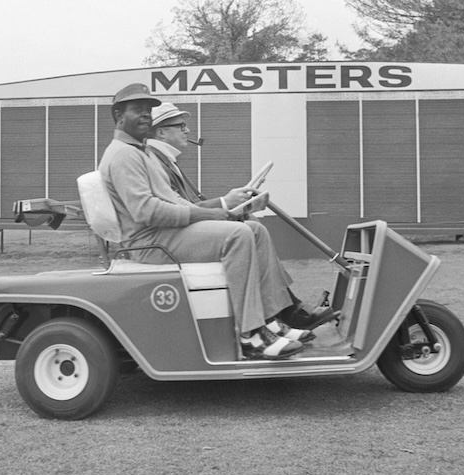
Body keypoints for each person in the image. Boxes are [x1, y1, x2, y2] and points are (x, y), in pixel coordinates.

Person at [98, 84, 313, 360]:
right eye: (138, 110)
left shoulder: (140, 152)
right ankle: (250, 334)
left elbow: (177, 204)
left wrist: (224, 207)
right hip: (150, 242)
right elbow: (146, 211)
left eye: (149, 110)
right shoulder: (123, 155)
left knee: (255, 229)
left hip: (165, 234)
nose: (146, 116)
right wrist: (212, 214)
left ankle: (271, 321)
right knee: (238, 235)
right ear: (118, 116)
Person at [146, 102, 338, 332]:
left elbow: (187, 207)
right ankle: (267, 322)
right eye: (181, 125)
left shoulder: (165, 160)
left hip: (176, 231)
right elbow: (179, 210)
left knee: (254, 227)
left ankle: (283, 311)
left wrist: (232, 206)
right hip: (166, 239)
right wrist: (225, 204)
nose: (187, 130)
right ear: (161, 132)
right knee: (245, 231)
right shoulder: (155, 161)